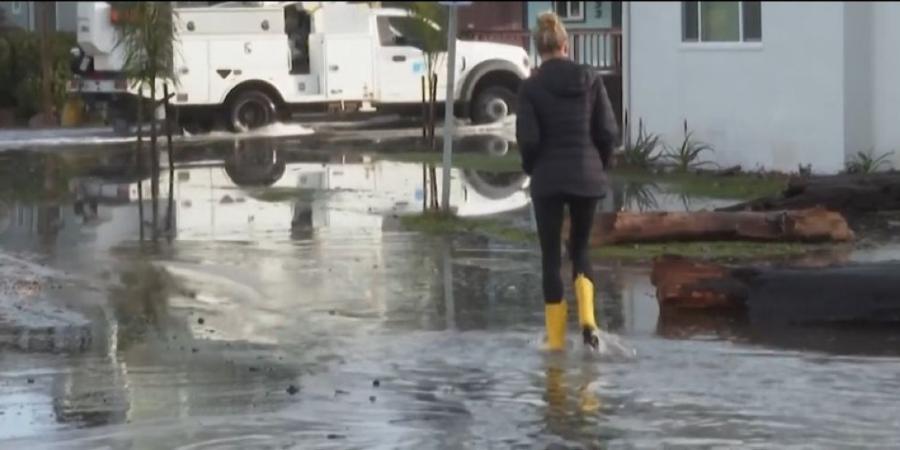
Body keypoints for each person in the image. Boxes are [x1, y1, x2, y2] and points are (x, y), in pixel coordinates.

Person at [516, 12, 620, 351]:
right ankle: (588, 322)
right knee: (580, 248)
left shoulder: (531, 87)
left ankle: (557, 343)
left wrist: (534, 169)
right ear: (566, 44)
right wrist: (598, 165)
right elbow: (607, 132)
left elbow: (528, 140)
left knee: (550, 257)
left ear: (538, 48)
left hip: (547, 178)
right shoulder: (590, 79)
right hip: (586, 175)